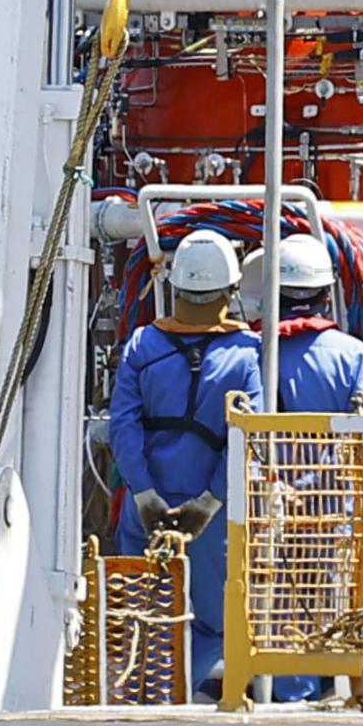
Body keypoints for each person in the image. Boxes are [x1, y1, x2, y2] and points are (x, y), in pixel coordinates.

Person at [106, 229, 264, 694]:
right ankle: (172, 693)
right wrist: (212, 501)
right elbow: (245, 436)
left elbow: (123, 425)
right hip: (212, 519)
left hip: (145, 512)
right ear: (231, 291)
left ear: (174, 286)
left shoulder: (140, 347)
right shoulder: (249, 354)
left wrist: (144, 492)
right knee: (216, 624)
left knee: (137, 615)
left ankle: (141, 700)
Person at [263, 232, 363, 415]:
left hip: (263, 445)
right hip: (341, 445)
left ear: (271, 292)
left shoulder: (252, 350)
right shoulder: (356, 355)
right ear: (327, 296)